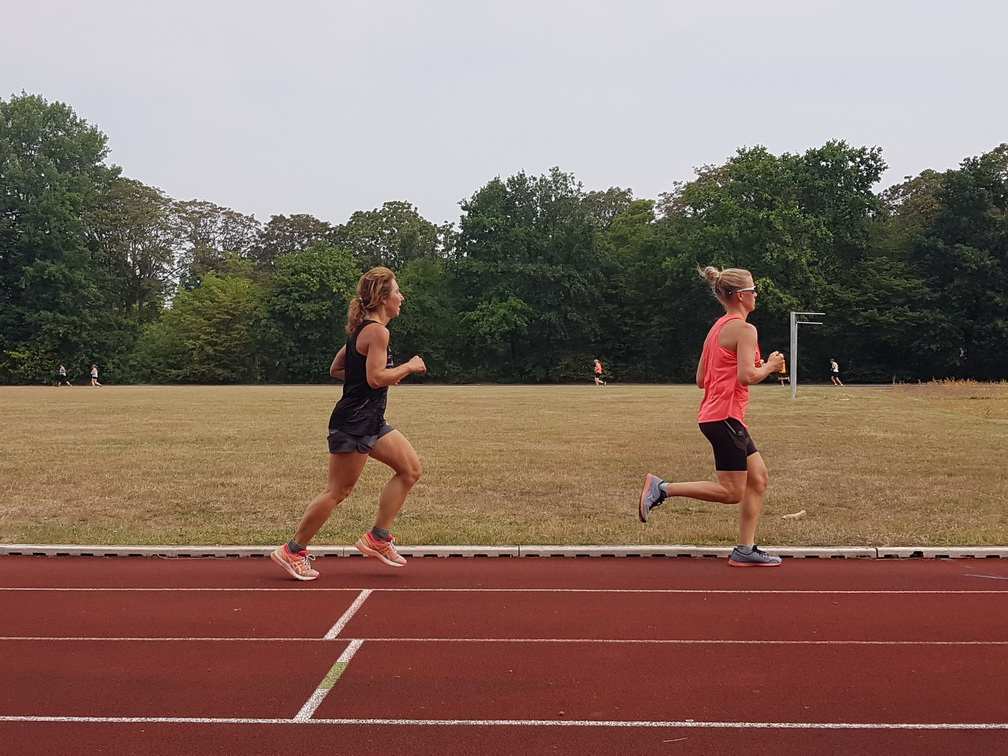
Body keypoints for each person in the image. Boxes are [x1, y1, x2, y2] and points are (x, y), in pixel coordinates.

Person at [271, 267, 427, 581]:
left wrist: (378, 377)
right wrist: (408, 367)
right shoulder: (377, 332)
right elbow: (376, 378)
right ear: (383, 299)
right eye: (397, 292)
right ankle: (292, 550)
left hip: (372, 420)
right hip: (354, 422)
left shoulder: (363, 330)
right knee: (338, 491)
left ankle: (378, 538)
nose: (402, 298)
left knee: (410, 470)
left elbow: (338, 368)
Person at [638, 266, 785, 567]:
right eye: (753, 289)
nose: (756, 294)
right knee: (732, 492)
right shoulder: (745, 330)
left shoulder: (716, 329)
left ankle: (745, 549)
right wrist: (770, 366)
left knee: (758, 479)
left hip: (719, 416)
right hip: (725, 417)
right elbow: (746, 376)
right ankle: (662, 489)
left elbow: (701, 379)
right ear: (741, 295)